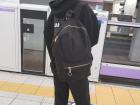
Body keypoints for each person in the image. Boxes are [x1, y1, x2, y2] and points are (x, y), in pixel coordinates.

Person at [44, 0, 99, 105]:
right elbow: (94, 36)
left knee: (60, 100)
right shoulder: (83, 8)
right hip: (78, 67)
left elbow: (47, 33)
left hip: (58, 66)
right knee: (83, 101)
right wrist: (78, 50)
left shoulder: (54, 9)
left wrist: (55, 57)